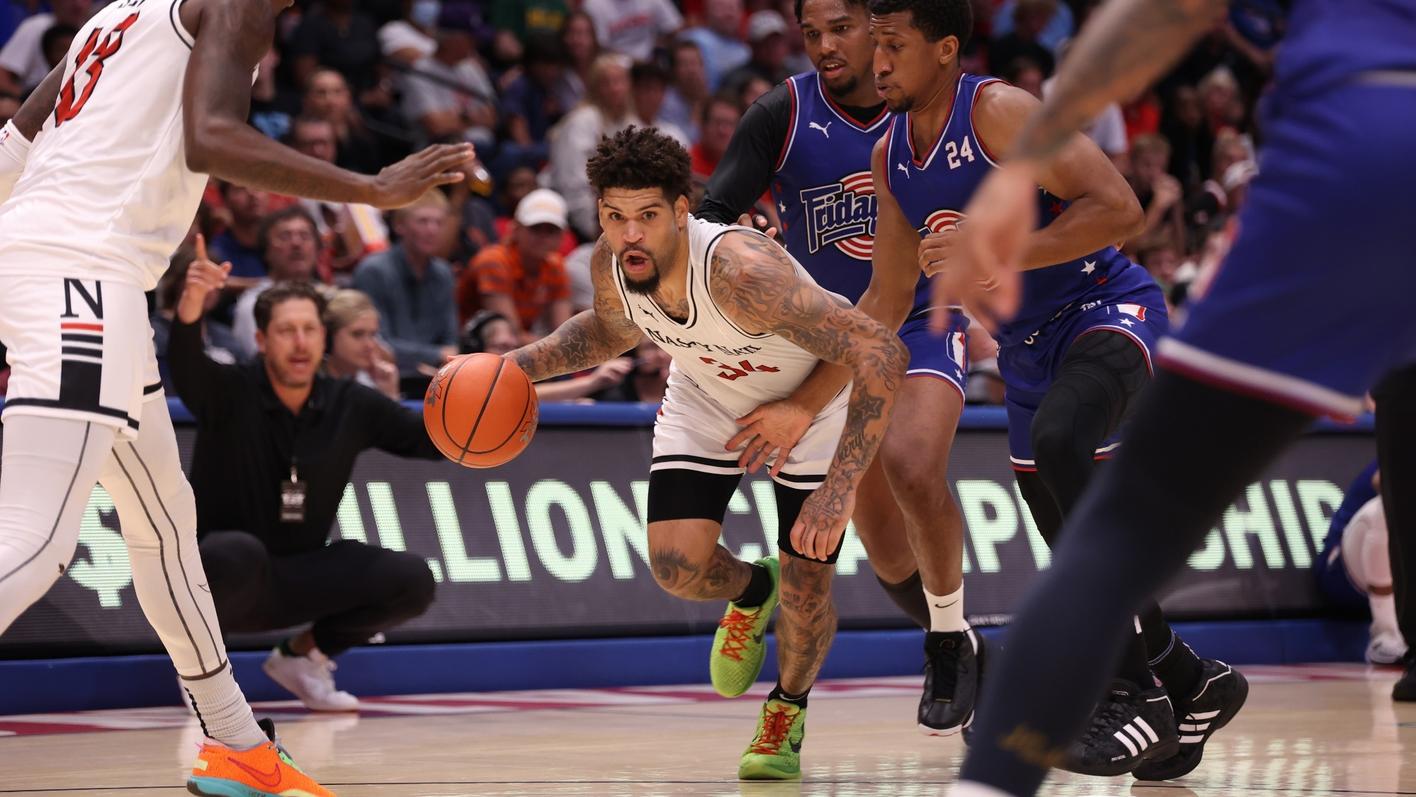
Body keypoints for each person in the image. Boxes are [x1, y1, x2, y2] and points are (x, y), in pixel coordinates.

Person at [928, 0, 1416, 795]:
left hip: (1362, 141)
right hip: (1358, 145)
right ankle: (1171, 681)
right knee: (1074, 483)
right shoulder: (897, 152)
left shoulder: (988, 118)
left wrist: (1021, 168)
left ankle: (1106, 712)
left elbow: (1168, 11)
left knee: (1122, 519)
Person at [0, 0, 470, 789]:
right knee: (39, 537)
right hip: (81, 274)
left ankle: (237, 741)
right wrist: (370, 188)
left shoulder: (119, 13)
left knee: (164, 529)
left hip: (67, 269)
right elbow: (211, 138)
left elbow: (13, 144)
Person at [874, 0, 1232, 778]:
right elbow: (887, 297)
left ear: (941, 50)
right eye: (873, 45)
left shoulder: (999, 111)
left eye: (892, 45)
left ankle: (1133, 691)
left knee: (1064, 441)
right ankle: (1189, 680)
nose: (877, 63)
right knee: (1065, 529)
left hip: (1109, 309)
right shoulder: (892, 153)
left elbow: (1120, 209)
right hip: (1027, 355)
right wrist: (804, 365)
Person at [506, 126, 906, 779]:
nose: (629, 233)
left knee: (809, 587)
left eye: (646, 216)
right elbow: (609, 330)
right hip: (707, 392)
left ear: (682, 209)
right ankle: (752, 590)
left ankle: (786, 709)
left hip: (814, 405)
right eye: (614, 217)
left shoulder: (743, 273)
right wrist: (509, 369)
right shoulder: (610, 261)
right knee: (674, 565)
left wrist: (831, 472)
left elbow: (882, 351)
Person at [697, 0, 982, 737]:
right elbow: (707, 217)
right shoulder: (781, 114)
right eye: (812, 33)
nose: (825, 46)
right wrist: (737, 243)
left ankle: (950, 639)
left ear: (882, 27)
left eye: (842, 29)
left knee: (913, 463)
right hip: (826, 339)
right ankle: (969, 644)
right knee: (885, 548)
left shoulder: (930, 106)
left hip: (919, 321)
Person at [172, 272, 439, 714]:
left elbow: (430, 439)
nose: (300, 343)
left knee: (410, 580)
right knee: (235, 552)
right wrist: (193, 302)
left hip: (299, 576)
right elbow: (185, 366)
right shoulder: (228, 390)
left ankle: (301, 658)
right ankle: (198, 666)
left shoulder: (350, 402)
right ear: (261, 340)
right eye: (286, 331)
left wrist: (487, 412)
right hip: (217, 578)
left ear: (323, 337)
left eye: (310, 330)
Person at [352, 190, 461, 380]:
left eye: (438, 223)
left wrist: (443, 356)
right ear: (399, 225)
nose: (432, 230)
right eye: (423, 221)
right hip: (381, 377)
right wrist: (436, 355)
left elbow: (450, 342)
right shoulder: (373, 271)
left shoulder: (444, 273)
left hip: (435, 378)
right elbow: (377, 344)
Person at [1315, 462, 1406, 666]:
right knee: (1384, 508)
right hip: (1341, 571)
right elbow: (1385, 481)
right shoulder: (1404, 444)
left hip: (1401, 576)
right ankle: (1386, 635)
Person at [466, 188, 575, 343]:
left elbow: (564, 333)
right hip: (475, 349)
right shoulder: (493, 261)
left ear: (562, 237)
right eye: (535, 229)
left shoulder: (556, 265)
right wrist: (563, 350)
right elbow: (511, 336)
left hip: (516, 347)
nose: (543, 237)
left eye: (551, 230)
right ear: (515, 229)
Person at [231, 206, 323, 358]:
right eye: (285, 236)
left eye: (305, 236)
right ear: (266, 251)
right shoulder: (252, 305)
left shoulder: (334, 298)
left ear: (317, 247)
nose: (296, 243)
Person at [322, 289, 401, 400]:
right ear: (328, 336)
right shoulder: (311, 387)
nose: (369, 345)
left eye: (373, 335)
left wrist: (388, 395)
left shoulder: (371, 384)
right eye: (357, 334)